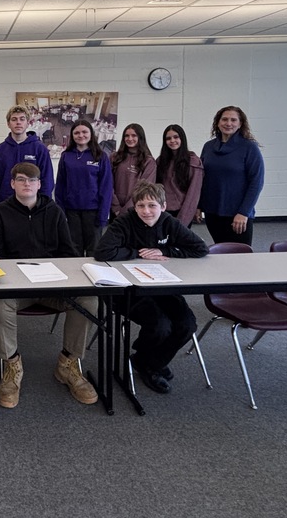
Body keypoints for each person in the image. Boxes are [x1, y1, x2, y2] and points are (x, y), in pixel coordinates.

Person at [0, 162, 98, 409]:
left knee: (88, 300)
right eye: (22, 179)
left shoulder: (55, 211)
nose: (27, 184)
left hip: (52, 288)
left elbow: (69, 253)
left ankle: (68, 364)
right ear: (12, 183)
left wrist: (56, 275)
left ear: (40, 184)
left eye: (32, 180)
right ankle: (11, 365)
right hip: (17, 289)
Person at [94, 181, 208, 394]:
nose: (146, 211)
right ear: (134, 207)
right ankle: (152, 365)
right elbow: (102, 252)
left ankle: (147, 362)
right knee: (160, 326)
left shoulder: (169, 222)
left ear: (163, 206)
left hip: (161, 286)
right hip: (128, 291)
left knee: (187, 324)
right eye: (141, 206)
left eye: (152, 206)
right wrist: (138, 253)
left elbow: (200, 248)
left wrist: (165, 252)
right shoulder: (124, 222)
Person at [197, 106, 265, 246]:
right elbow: (201, 179)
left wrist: (244, 212)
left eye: (233, 120)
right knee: (220, 250)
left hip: (237, 214)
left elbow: (256, 183)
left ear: (240, 124)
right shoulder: (208, 147)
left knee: (240, 256)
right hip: (212, 211)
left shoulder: (249, 148)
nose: (228, 123)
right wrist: (198, 205)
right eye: (225, 119)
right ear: (218, 122)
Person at [54, 118, 112, 256]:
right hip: (71, 212)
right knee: (73, 250)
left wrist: (103, 215)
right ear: (72, 136)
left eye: (84, 132)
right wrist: (61, 212)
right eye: (77, 133)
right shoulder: (66, 156)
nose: (81, 135)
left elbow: (106, 187)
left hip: (94, 212)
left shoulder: (101, 156)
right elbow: (60, 186)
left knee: (94, 251)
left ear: (91, 134)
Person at [0, 104, 54, 208]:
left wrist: (43, 205)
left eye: (22, 119)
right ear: (8, 124)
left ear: (28, 123)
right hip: (5, 206)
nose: (18, 122)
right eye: (14, 119)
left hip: (33, 207)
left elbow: (47, 179)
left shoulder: (40, 149)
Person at [155, 124, 204, 228]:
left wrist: (183, 220)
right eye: (168, 138)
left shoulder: (193, 161)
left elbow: (193, 194)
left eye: (176, 137)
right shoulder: (160, 161)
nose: (172, 141)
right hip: (163, 211)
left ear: (182, 138)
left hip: (182, 212)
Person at [110, 123, 156, 218]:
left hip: (137, 210)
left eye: (134, 135)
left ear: (140, 137)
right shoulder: (114, 157)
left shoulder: (148, 161)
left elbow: (144, 189)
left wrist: (126, 211)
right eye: (126, 136)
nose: (130, 139)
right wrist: (116, 207)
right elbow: (107, 183)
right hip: (115, 210)